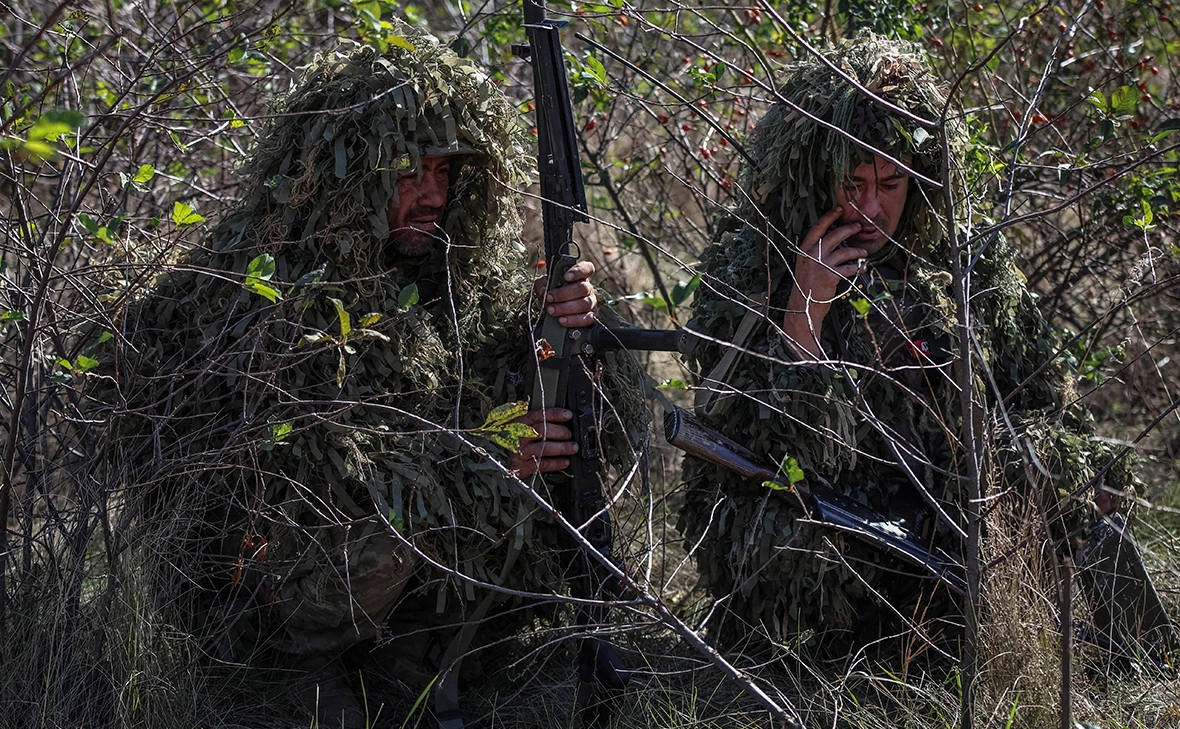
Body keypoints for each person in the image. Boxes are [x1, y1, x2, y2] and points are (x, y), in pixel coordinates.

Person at [100, 28, 645, 727]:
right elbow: (325, 480)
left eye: (444, 172)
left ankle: (406, 658)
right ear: (350, 175)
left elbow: (478, 387)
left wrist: (550, 323)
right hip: (266, 597)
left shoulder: (437, 273)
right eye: (408, 171)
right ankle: (299, 673)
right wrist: (484, 460)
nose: (431, 194)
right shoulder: (262, 291)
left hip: (375, 582)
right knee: (388, 537)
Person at [678, 35, 1146, 655]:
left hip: (941, 524)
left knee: (1066, 470)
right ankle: (826, 664)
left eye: (891, 183)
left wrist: (1066, 474)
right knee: (783, 540)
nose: (871, 208)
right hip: (832, 522)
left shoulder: (961, 257)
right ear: (817, 176)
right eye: (853, 183)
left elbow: (1041, 394)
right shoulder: (752, 265)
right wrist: (803, 316)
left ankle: (1122, 658)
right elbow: (755, 454)